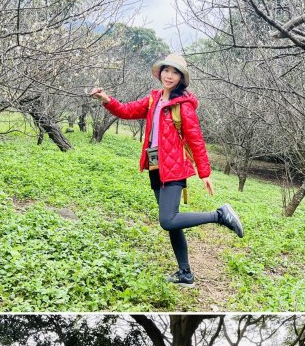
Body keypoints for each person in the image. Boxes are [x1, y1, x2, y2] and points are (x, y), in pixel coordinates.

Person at [89, 54, 243, 287]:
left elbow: (196, 140)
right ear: (160, 73)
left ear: (181, 77)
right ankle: (185, 274)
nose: (169, 75)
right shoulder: (154, 99)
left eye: (174, 72)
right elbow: (127, 111)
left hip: (174, 170)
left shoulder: (184, 106)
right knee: (174, 222)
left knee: (168, 220)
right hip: (155, 168)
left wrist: (205, 173)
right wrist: (106, 99)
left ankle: (220, 216)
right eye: (166, 70)